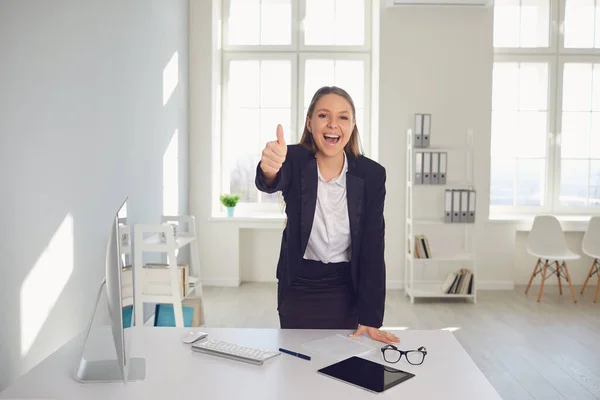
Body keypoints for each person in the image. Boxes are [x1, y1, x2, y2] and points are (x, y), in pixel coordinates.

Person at [255, 86, 399, 345]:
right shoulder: (292, 160)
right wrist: (268, 169)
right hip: (298, 287)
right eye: (324, 115)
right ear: (310, 123)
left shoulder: (371, 174)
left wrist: (371, 316)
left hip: (345, 289)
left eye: (343, 117)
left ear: (353, 125)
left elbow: (372, 247)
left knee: (343, 369)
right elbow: (271, 179)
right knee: (298, 366)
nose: (333, 124)